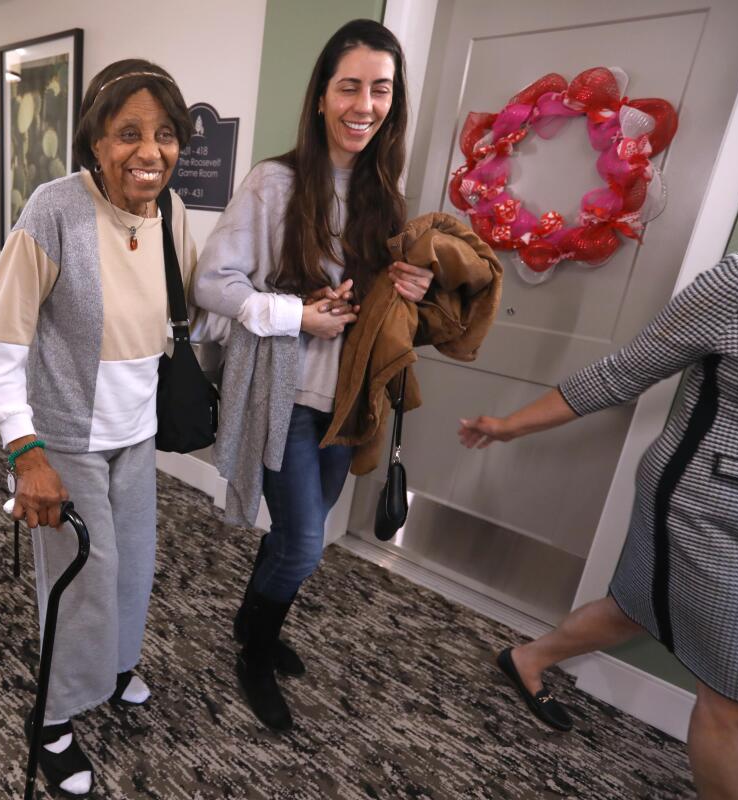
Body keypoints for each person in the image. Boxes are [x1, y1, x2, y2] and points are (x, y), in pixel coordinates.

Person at [194, 19, 500, 732]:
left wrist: (404, 290)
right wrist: (299, 315)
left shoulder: (383, 197)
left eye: (381, 89)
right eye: (350, 87)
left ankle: (253, 624)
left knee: (302, 533)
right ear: (323, 95)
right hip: (284, 392)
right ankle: (256, 648)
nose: (365, 104)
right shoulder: (276, 182)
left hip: (348, 396)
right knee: (304, 541)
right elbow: (214, 282)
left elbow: (373, 308)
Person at [0, 60, 195, 797]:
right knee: (80, 580)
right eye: (127, 133)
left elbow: (179, 311)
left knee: (131, 563)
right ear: (95, 142)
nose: (148, 151)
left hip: (136, 428)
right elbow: (0, 343)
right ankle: (55, 718)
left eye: (164, 135)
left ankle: (116, 666)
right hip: (65, 433)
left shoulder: (173, 211)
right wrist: (23, 448)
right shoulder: (54, 209)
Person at [459, 252, 738, 799]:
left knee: (636, 607)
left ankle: (527, 659)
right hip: (703, 504)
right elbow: (623, 371)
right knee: (732, 698)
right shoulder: (736, 285)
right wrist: (509, 426)